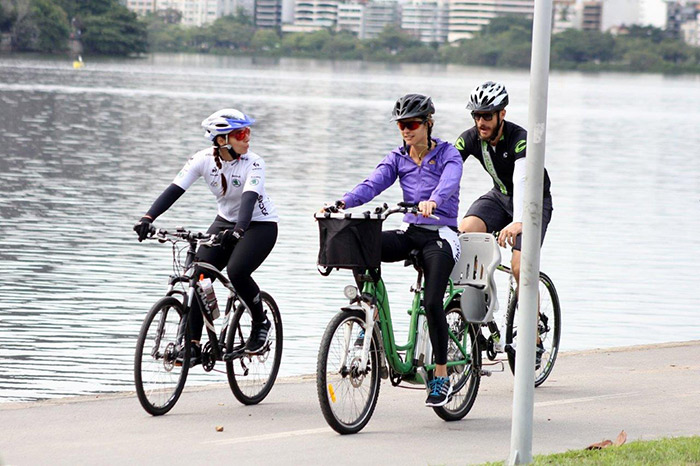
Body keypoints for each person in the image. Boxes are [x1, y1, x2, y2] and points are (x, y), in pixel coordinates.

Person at [326, 94, 463, 407]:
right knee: (361, 245)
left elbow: (449, 183)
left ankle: (440, 376)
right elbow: (373, 183)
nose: (406, 129)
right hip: (410, 232)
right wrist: (342, 203)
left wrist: (434, 202)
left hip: (441, 235)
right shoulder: (398, 157)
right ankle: (367, 310)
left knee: (432, 302)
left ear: (428, 123)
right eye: (401, 124)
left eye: (412, 124)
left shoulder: (447, 154)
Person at [133, 108, 279, 364]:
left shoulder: (254, 163)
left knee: (237, 271)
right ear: (222, 140)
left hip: (259, 224)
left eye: (248, 132)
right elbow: (174, 189)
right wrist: (148, 218)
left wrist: (239, 231)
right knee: (199, 274)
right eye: (241, 133)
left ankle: (260, 321)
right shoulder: (203, 160)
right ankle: (193, 344)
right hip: (225, 222)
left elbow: (248, 200)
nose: (248, 138)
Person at [454, 81, 553, 367]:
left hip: (534, 202)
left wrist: (519, 221)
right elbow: (448, 169)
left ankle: (533, 339)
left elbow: (523, 179)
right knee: (465, 232)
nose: (480, 121)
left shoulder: (519, 138)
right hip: (499, 197)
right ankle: (479, 307)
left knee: (521, 267)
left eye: (487, 115)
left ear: (502, 114)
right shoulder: (471, 138)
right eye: (476, 115)